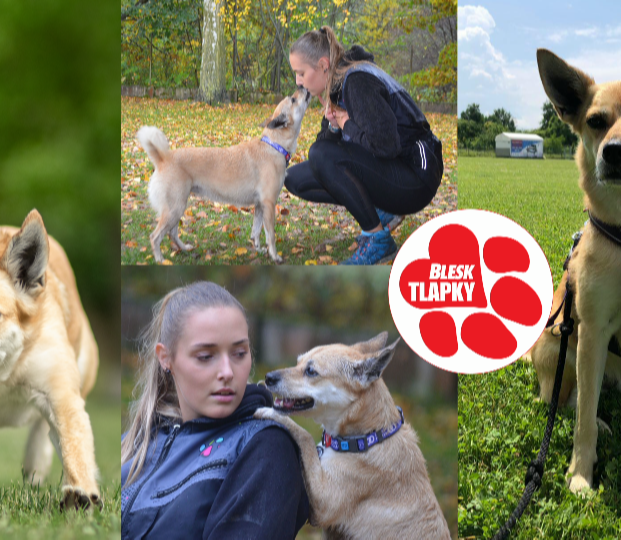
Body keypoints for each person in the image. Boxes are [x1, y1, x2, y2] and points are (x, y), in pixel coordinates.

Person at [121, 282, 309, 540]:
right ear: (166, 358)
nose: (227, 372)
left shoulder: (265, 447)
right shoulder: (137, 443)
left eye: (239, 353)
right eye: (206, 356)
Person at [285, 26, 444, 265]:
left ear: (323, 65)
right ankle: (382, 212)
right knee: (294, 178)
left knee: (320, 154)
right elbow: (325, 153)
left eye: (301, 73)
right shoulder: (335, 88)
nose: (298, 81)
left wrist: (346, 122)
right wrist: (335, 125)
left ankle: (378, 240)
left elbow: (386, 146)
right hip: (391, 169)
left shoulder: (357, 82)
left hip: (417, 176)